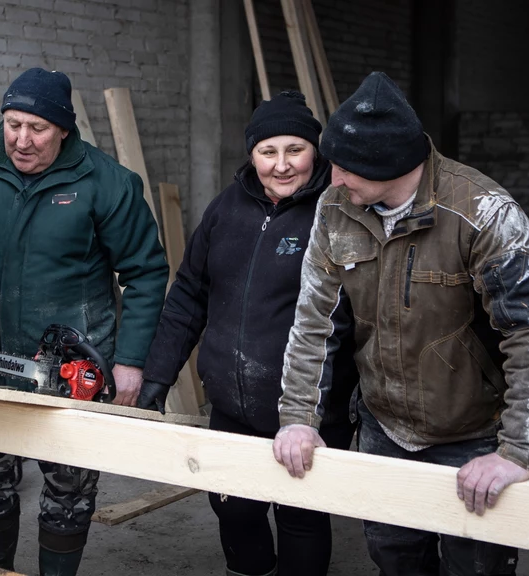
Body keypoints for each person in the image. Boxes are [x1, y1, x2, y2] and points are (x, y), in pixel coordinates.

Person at [272, 71, 529, 576]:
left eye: (346, 169)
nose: (333, 179)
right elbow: (313, 320)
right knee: (395, 559)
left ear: (390, 165)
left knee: (475, 565)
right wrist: (298, 418)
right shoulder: (335, 209)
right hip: (384, 425)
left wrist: (518, 452)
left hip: (472, 431)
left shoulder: (483, 213)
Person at [0, 68, 169, 576]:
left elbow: (145, 272)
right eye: (12, 124)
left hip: (72, 372)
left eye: (38, 128)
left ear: (64, 130)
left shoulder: (105, 181)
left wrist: (131, 362)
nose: (21, 140)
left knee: (68, 494)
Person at [137, 91, 359, 576]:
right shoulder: (226, 209)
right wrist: (158, 378)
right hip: (232, 404)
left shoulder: (338, 212)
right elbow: (188, 295)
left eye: (295, 150)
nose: (281, 165)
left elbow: (359, 320)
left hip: (309, 409)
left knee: (300, 515)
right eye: (267, 151)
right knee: (234, 508)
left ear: (315, 151)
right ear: (251, 153)